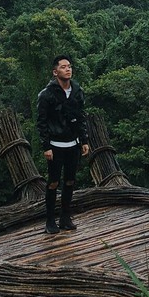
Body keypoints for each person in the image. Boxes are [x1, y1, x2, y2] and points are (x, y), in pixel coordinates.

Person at [36, 55, 89, 234]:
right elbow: (41, 122)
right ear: (55, 71)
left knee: (70, 181)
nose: (68, 69)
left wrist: (84, 140)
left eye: (69, 66)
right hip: (55, 145)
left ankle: (65, 218)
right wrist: (46, 146)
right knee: (53, 182)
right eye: (63, 67)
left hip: (73, 144)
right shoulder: (47, 95)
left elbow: (81, 116)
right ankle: (50, 220)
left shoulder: (76, 90)